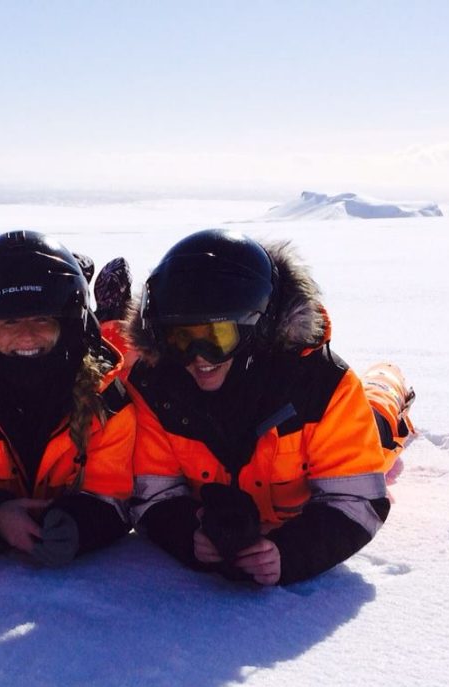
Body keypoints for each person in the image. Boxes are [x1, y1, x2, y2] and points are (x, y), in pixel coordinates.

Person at [124, 228, 415, 586]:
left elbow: (356, 500)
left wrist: (290, 555)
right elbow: (153, 494)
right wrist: (189, 535)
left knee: (378, 427)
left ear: (255, 329)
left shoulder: (323, 387)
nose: (198, 358)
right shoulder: (156, 387)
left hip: (348, 430)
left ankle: (387, 385)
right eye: (181, 338)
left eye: (217, 338)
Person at [0, 230, 135, 565]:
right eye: (10, 321)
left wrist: (82, 524)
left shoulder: (109, 401)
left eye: (42, 318)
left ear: (66, 324)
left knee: (131, 366)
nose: (27, 334)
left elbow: (115, 495)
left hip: (87, 350)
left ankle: (109, 315)